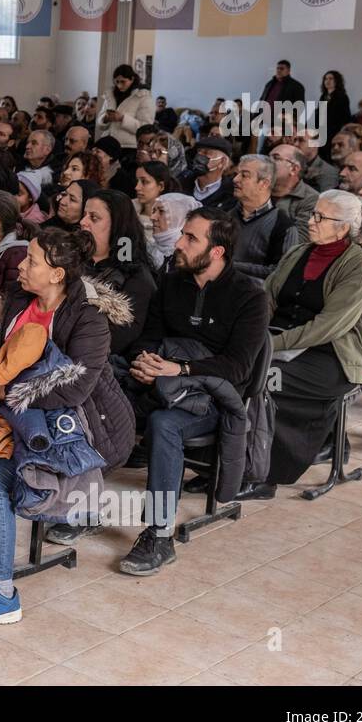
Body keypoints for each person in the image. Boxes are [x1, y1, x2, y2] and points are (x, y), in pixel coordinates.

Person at [0, 229, 135, 627]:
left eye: (32, 260)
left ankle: (1, 593)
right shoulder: (18, 302)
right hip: (12, 418)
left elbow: (75, 387)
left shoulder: (89, 320)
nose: (21, 265)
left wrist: (6, 392)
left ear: (56, 274)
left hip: (72, 431)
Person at [117, 207, 271, 574]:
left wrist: (181, 369)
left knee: (164, 424)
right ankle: (81, 508)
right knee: (98, 391)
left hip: (216, 399)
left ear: (216, 251)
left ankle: (158, 534)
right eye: (183, 234)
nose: (180, 244)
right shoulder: (172, 282)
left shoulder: (250, 296)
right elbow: (149, 336)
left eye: (191, 238)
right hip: (162, 384)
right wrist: (146, 362)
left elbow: (238, 368)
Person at [243, 190, 362, 495]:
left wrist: (269, 346)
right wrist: (253, 334)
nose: (311, 221)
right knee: (233, 371)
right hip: (281, 341)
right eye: (312, 213)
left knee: (264, 380)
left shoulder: (358, 265)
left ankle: (264, 475)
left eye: (320, 217)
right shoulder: (299, 252)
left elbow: (329, 325)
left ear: (343, 228)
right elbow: (269, 297)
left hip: (331, 357)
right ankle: (228, 462)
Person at [79, 189, 156, 355]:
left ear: (117, 226)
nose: (83, 222)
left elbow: (116, 341)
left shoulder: (137, 279)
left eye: (94, 218)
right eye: (84, 215)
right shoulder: (72, 260)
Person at [227, 154, 293, 279]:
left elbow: (281, 273)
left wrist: (231, 266)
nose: (235, 179)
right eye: (236, 174)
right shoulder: (225, 214)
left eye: (244, 175)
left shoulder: (283, 226)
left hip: (255, 295)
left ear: (264, 183)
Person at [269, 142, 318, 245]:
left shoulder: (311, 199)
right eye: (268, 157)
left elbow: (298, 242)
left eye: (276, 158)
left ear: (294, 169)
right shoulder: (257, 187)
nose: (267, 162)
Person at [97, 64, 154, 150]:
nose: (119, 85)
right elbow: (100, 125)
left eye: (123, 82)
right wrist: (105, 119)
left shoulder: (143, 96)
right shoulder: (110, 95)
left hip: (129, 146)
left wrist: (122, 118)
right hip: (108, 143)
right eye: (117, 82)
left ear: (132, 79)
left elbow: (146, 129)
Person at [146, 192, 200, 270]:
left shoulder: (186, 258)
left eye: (161, 211)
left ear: (179, 218)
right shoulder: (148, 248)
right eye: (153, 211)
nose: (152, 217)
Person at [256, 59, 306, 132]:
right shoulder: (269, 84)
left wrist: (287, 119)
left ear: (288, 71)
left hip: (281, 124)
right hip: (264, 121)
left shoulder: (297, 86)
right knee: (260, 142)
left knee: (276, 143)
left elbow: (299, 107)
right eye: (277, 68)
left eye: (282, 68)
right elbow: (262, 101)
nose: (279, 70)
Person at [317, 70, 351, 152]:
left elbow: (345, 116)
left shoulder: (342, 96)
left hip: (334, 131)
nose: (327, 81)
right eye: (326, 79)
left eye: (330, 78)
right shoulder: (323, 96)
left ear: (336, 81)